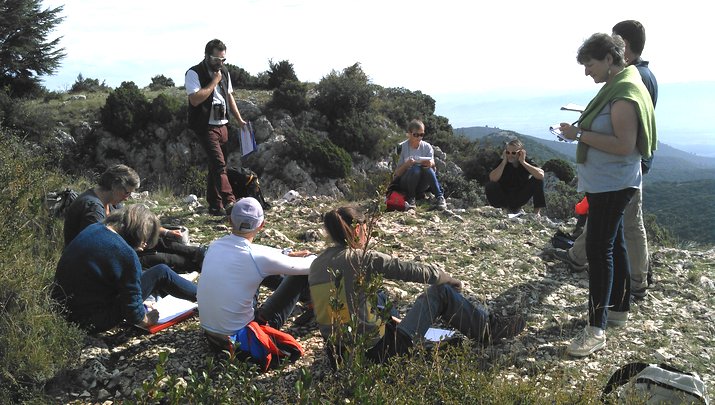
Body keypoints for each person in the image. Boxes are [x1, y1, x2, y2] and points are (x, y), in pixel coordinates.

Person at [308, 206, 526, 365]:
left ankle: (436, 340)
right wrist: (447, 279)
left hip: (340, 358)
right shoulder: (360, 258)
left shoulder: (316, 264)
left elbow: (339, 311)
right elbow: (409, 270)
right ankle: (488, 329)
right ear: (357, 230)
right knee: (440, 292)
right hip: (379, 353)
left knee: (377, 291)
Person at [558, 33, 656, 357]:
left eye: (590, 64)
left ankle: (595, 329)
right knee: (614, 244)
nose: (587, 71)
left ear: (610, 60)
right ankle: (618, 311)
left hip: (613, 183)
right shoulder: (619, 85)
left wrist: (579, 134)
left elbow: (624, 144)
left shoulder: (624, 92)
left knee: (599, 251)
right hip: (609, 182)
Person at [52, 205, 198, 333]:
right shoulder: (124, 253)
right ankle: (202, 297)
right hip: (90, 321)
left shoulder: (94, 229)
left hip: (63, 311)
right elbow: (134, 315)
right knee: (161, 272)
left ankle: (200, 295)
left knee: (147, 274)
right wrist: (147, 318)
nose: (144, 246)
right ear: (138, 232)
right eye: (145, 240)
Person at [197, 197, 315, 352]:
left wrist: (286, 253)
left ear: (229, 221)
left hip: (211, 336)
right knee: (298, 276)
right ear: (261, 225)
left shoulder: (214, 246)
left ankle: (308, 301)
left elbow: (257, 252)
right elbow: (310, 266)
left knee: (251, 273)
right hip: (240, 339)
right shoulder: (256, 258)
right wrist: (312, 256)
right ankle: (314, 303)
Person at [63, 164, 206, 273]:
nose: (128, 197)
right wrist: (134, 247)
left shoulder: (111, 201)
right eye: (127, 192)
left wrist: (164, 232)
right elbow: (98, 246)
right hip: (95, 263)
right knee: (160, 258)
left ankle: (197, 253)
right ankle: (198, 264)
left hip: (115, 248)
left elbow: (132, 222)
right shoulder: (93, 208)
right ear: (114, 185)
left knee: (155, 238)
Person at [185, 38, 247, 216]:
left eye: (223, 60)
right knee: (219, 165)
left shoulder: (224, 72)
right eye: (216, 59)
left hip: (223, 125)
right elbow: (195, 99)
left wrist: (239, 120)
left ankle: (214, 204)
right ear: (206, 56)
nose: (220, 63)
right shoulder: (193, 73)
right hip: (205, 126)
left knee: (217, 165)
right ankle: (230, 202)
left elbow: (229, 96)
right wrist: (214, 82)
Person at [393, 119, 447, 210]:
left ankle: (440, 197)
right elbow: (396, 175)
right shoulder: (401, 148)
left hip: (422, 184)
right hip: (405, 183)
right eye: (415, 135)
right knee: (415, 169)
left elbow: (433, 164)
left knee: (427, 169)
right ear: (409, 134)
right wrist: (406, 165)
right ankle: (411, 198)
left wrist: (431, 163)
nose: (419, 138)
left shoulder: (427, 147)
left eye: (421, 135)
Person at [485, 138, 546, 215]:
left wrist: (523, 162)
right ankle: (502, 211)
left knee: (538, 181)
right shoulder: (502, 162)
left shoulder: (526, 161)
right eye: (508, 152)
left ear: (520, 153)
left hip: (519, 197)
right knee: (490, 185)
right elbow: (492, 178)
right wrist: (504, 162)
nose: (510, 155)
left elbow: (540, 175)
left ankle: (536, 213)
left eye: (513, 153)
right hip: (504, 197)